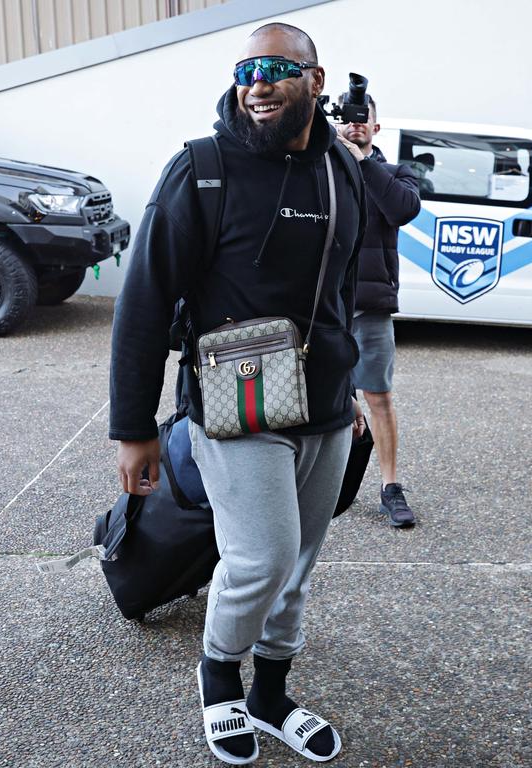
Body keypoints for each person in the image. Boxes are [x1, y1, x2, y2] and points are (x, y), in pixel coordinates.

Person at [109, 23, 366, 765]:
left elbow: (343, 287)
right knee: (262, 556)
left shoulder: (339, 170)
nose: (258, 82)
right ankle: (220, 675)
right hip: (235, 399)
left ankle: (272, 694)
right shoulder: (202, 169)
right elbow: (144, 300)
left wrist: (347, 384)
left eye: (278, 69)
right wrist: (134, 427)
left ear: (316, 81)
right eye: (247, 68)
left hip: (322, 402)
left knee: (301, 560)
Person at [335, 96, 421, 528]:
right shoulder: (323, 169)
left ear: (376, 127)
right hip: (326, 308)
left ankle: (390, 486)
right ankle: (322, 487)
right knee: (323, 401)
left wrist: (363, 163)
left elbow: (403, 209)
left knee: (379, 398)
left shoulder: (392, 173)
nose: (353, 127)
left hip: (370, 308)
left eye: (361, 120)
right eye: (346, 121)